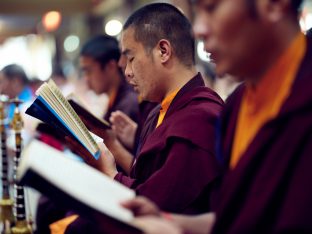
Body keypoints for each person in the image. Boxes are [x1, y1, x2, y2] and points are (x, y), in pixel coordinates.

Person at [122, 0, 312, 233]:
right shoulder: (237, 105)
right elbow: (232, 219)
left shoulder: (302, 98)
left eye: (211, 8)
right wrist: (174, 222)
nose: (199, 29)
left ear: (273, 4)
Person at [64, 3, 224, 233]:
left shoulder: (199, 119)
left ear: (163, 51)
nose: (126, 71)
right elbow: (145, 179)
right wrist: (113, 146)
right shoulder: (158, 112)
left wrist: (109, 173)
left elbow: (153, 207)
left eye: (131, 58)